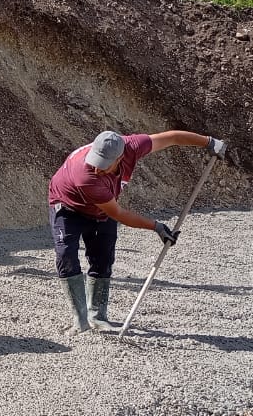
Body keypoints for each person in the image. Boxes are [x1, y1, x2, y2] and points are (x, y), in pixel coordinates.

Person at [48, 129, 227, 333]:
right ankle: (80, 320)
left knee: (103, 257)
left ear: (119, 158)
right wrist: (156, 226)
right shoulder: (86, 176)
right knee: (66, 255)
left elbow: (173, 138)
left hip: (101, 209)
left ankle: (97, 316)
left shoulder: (133, 146)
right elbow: (119, 213)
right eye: (95, 161)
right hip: (67, 207)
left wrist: (209, 142)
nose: (97, 169)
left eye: (104, 165)